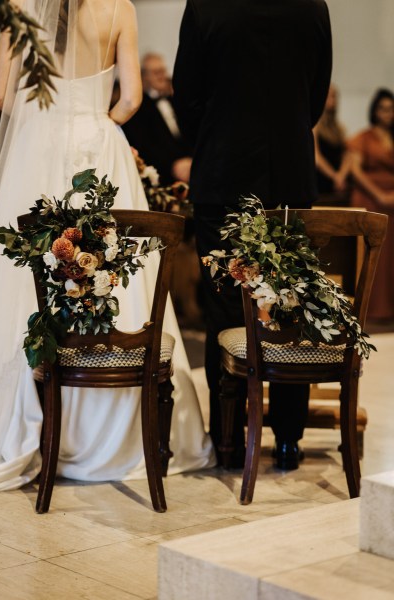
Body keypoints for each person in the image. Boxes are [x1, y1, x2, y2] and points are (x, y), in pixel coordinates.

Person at [0, 0, 215, 491]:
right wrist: (97, 122)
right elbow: (132, 97)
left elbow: (0, 94)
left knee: (21, 275)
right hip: (100, 144)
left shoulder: (17, 6)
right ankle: (119, 420)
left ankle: (38, 413)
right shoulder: (120, 9)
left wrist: (41, 120)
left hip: (37, 144)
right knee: (120, 272)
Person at [173, 0, 332, 470]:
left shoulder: (206, 5)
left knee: (223, 304)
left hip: (222, 174)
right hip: (290, 176)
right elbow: (317, 95)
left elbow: (188, 95)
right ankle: (287, 439)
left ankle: (227, 437)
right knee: (290, 305)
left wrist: (219, 135)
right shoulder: (313, 6)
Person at [347, 88, 394, 322]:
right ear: (375, 111)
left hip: (392, 203)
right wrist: (379, 195)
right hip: (371, 200)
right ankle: (372, 310)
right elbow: (355, 170)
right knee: (375, 253)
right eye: (383, 109)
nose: (387, 114)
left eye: (391, 109)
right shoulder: (363, 137)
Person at [121, 52, 192, 186]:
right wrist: (173, 165)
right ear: (144, 76)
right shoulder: (138, 108)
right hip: (162, 175)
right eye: (155, 72)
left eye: (162, 70)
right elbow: (144, 145)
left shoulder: (177, 101)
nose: (161, 76)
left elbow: (189, 132)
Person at [314, 84, 352, 205]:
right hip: (321, 184)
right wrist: (334, 176)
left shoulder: (339, 128)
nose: (333, 100)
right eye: (329, 96)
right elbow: (316, 157)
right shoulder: (314, 127)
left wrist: (341, 175)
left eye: (335, 96)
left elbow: (347, 154)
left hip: (338, 186)